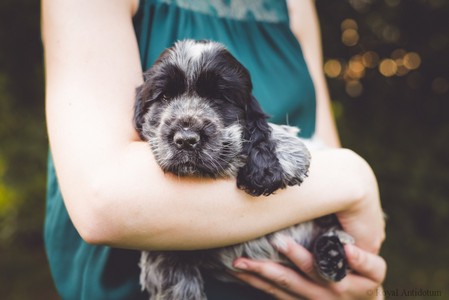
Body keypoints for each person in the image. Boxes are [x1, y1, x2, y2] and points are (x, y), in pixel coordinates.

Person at [42, 0, 386, 299]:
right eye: (164, 96)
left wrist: (364, 289)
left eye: (220, 98)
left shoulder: (295, 4)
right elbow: (104, 197)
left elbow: (325, 173)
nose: (188, 131)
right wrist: (354, 179)